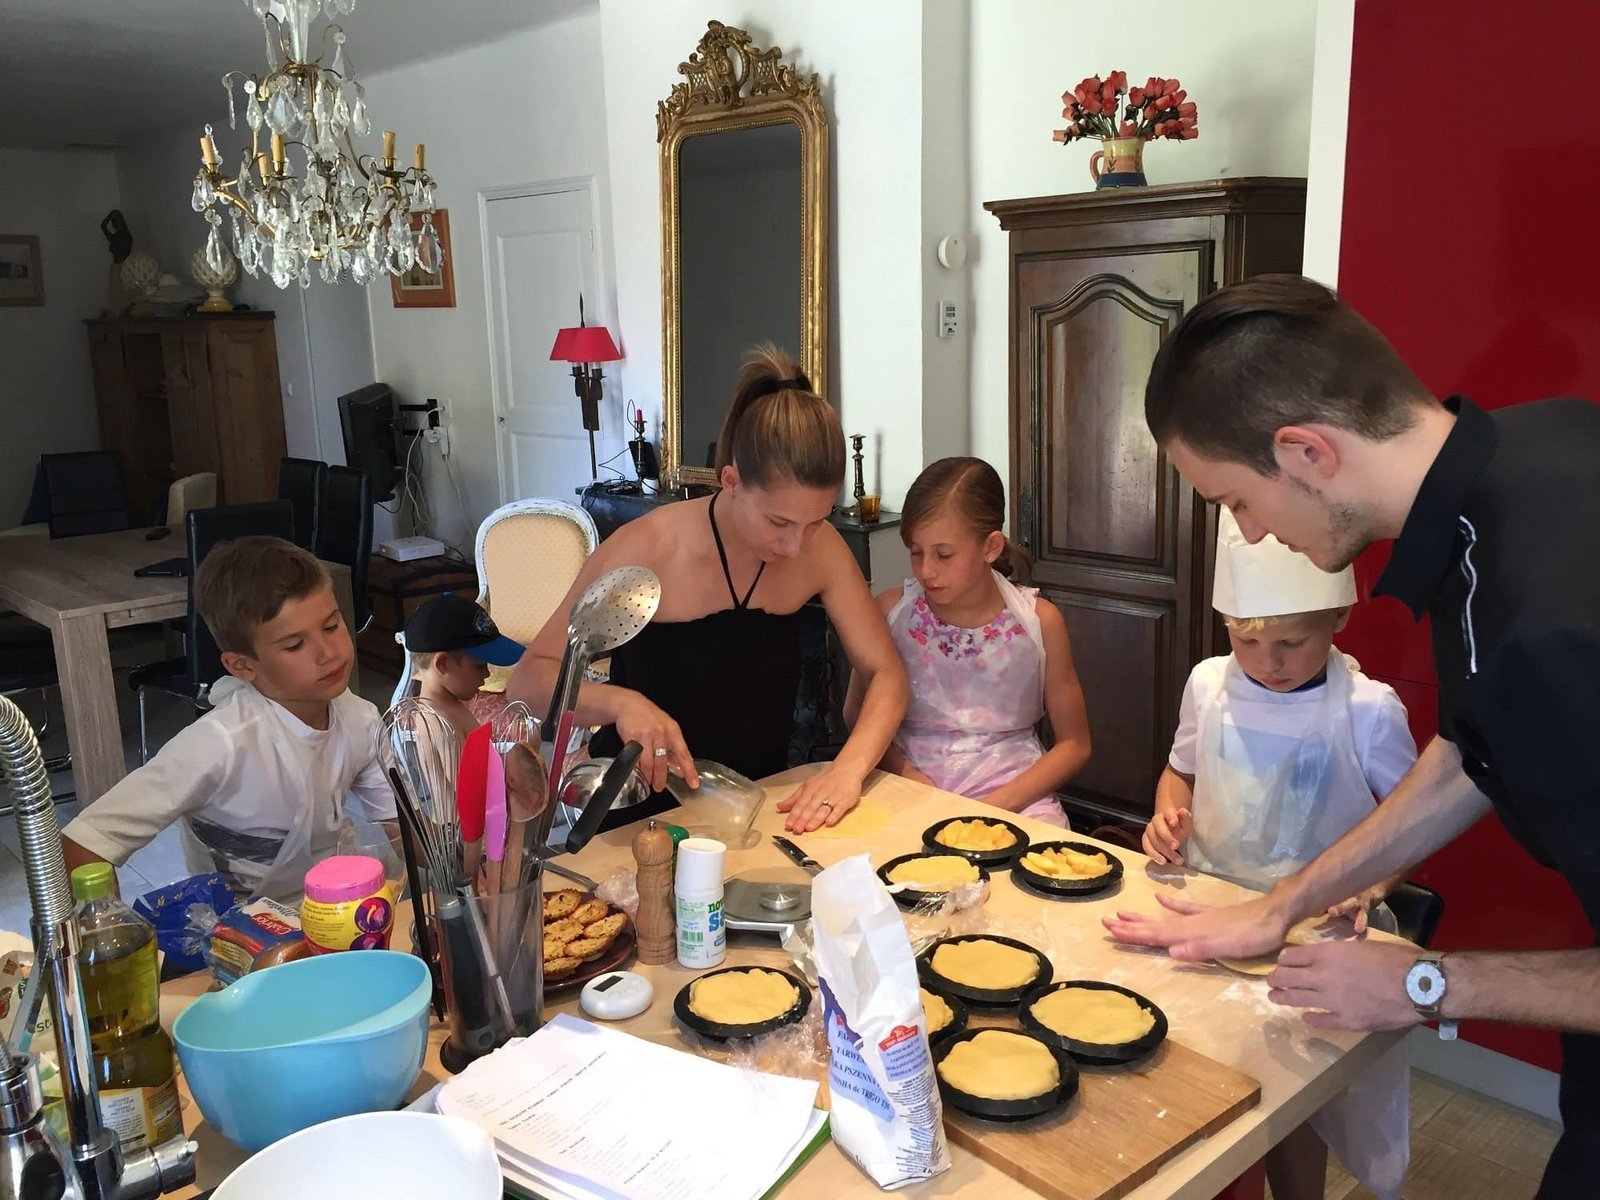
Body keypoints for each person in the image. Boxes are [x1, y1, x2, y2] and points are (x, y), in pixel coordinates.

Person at [1103, 272, 1600, 1195]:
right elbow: (1471, 751)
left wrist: (1426, 985)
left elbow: (1522, 689)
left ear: (1306, 452)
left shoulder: (1552, 620)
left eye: (1236, 502)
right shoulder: (1542, 447)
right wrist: (1281, 901)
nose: (1249, 532)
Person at [507, 343, 909, 832]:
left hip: (753, 806)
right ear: (731, 480)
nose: (794, 546)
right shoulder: (648, 546)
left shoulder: (818, 547)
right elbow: (528, 682)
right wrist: (622, 703)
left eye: (814, 522)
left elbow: (886, 671)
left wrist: (848, 770)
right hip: (639, 813)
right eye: (779, 521)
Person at [1147, 509, 1417, 1199]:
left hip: (1315, 939)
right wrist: (1166, 812)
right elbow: (1180, 771)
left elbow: (1412, 829)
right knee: (1209, 1082)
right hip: (1212, 916)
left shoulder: (1369, 712)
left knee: (1298, 1110)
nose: (1267, 662)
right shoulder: (1209, 686)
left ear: (1338, 622)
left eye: (1292, 644)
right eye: (1246, 639)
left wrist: (1372, 888)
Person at [62, 536, 393, 900]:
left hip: (343, 907)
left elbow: (403, 831)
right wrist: (111, 928)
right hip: (238, 933)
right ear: (242, 665)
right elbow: (83, 843)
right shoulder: (218, 744)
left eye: (331, 626)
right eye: (295, 645)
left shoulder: (359, 719)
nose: (328, 653)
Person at [847, 456, 1089, 824]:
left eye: (944, 555)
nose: (927, 570)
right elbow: (854, 713)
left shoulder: (1039, 623)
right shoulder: (891, 614)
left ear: (991, 547)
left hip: (1016, 798)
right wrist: (909, 776)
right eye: (916, 552)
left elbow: (1075, 745)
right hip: (909, 788)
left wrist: (994, 805)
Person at [403, 594, 526, 739]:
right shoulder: (438, 724)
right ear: (442, 664)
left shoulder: (452, 706)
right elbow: (459, 763)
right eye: (479, 667)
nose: (487, 674)